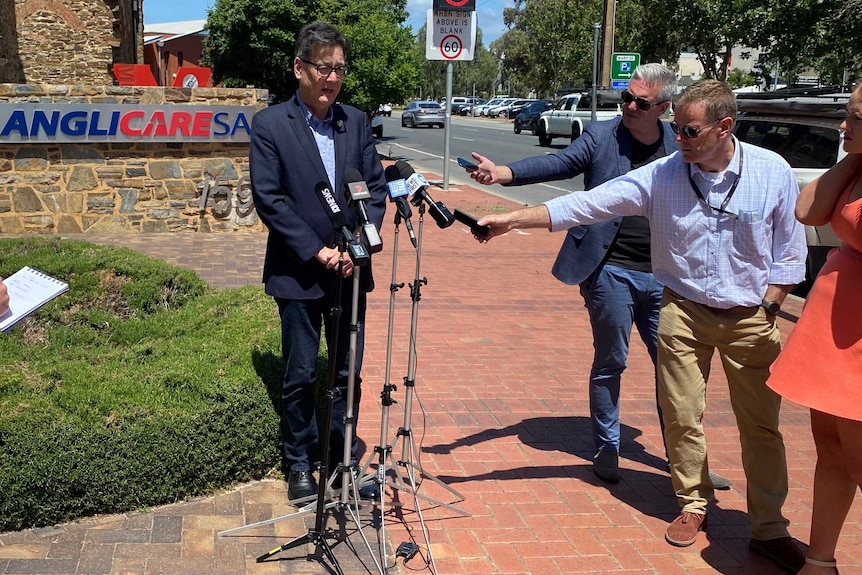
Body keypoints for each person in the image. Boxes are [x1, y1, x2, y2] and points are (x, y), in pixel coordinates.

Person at [470, 79, 807, 572]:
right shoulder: (664, 174)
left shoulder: (770, 170)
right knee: (681, 416)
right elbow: (589, 203)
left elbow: (790, 248)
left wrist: (771, 304)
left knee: (760, 427)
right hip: (683, 313)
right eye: (676, 128)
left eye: (689, 130)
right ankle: (692, 504)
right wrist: (515, 219)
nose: (679, 138)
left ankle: (769, 529)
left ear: (724, 127)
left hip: (748, 319)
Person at [466, 64, 730, 490]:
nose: (628, 106)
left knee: (677, 369)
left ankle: (687, 459)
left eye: (640, 102)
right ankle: (607, 445)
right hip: (610, 270)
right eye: (626, 97)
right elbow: (559, 163)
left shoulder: (680, 142)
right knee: (612, 360)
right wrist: (504, 174)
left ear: (663, 107)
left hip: (667, 275)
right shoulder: (602, 136)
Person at [249, 21, 387, 501]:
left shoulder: (357, 121)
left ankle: (343, 458)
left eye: (339, 69)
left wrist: (357, 248)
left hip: (351, 271)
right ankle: (301, 463)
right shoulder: (270, 126)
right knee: (303, 372)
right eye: (324, 68)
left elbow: (374, 191)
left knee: (348, 371)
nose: (332, 78)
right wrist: (319, 249)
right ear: (299, 68)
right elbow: (272, 200)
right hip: (300, 272)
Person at [767, 83, 862, 575]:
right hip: (834, 315)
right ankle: (820, 562)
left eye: (855, 117)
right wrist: (853, 155)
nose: (843, 125)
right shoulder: (855, 164)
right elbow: (808, 211)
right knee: (830, 449)